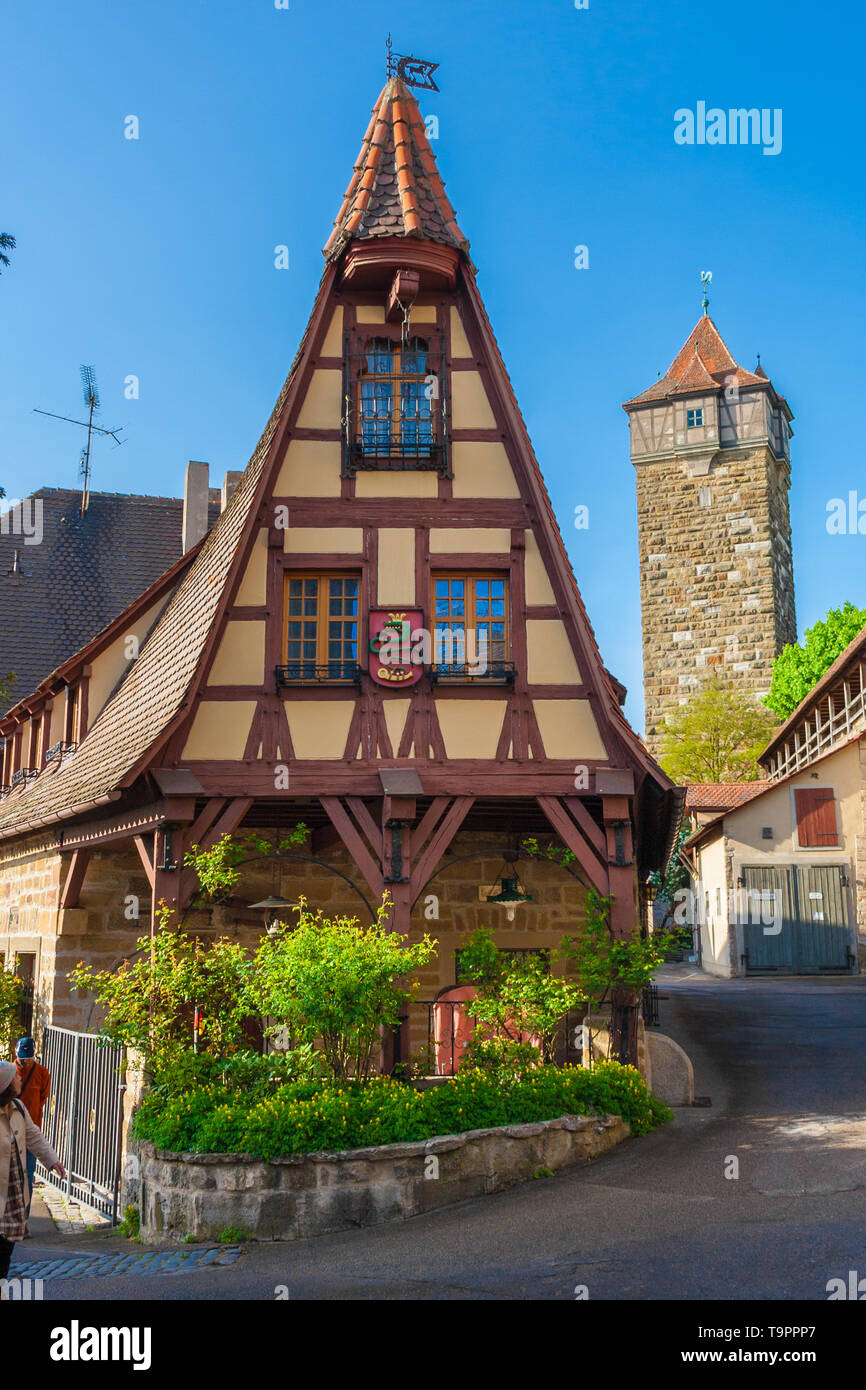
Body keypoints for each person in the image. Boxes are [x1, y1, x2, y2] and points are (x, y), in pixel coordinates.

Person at [0, 1059, 65, 1278]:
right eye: (15, 1077)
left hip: (13, 1189)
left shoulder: (18, 1108)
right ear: (8, 1085)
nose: (19, 1078)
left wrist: (52, 1161)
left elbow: (34, 1136)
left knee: (6, 1248)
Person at [15, 1037, 51, 1218]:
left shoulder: (42, 1073)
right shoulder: (9, 1072)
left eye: (27, 1058)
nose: (24, 1061)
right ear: (16, 1053)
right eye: (22, 1058)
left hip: (30, 1132)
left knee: (28, 1175)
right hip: (10, 1132)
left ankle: (24, 1218)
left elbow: (43, 1096)